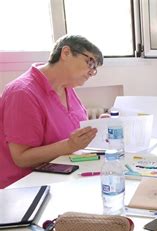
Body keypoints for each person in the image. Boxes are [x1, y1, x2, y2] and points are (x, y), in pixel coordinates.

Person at [0, 35, 101, 189]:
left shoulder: (67, 88)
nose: (92, 72)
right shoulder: (22, 93)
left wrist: (100, 125)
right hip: (25, 187)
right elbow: (21, 158)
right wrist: (69, 145)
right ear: (66, 53)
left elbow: (73, 132)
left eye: (95, 69)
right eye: (91, 63)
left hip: (61, 176)